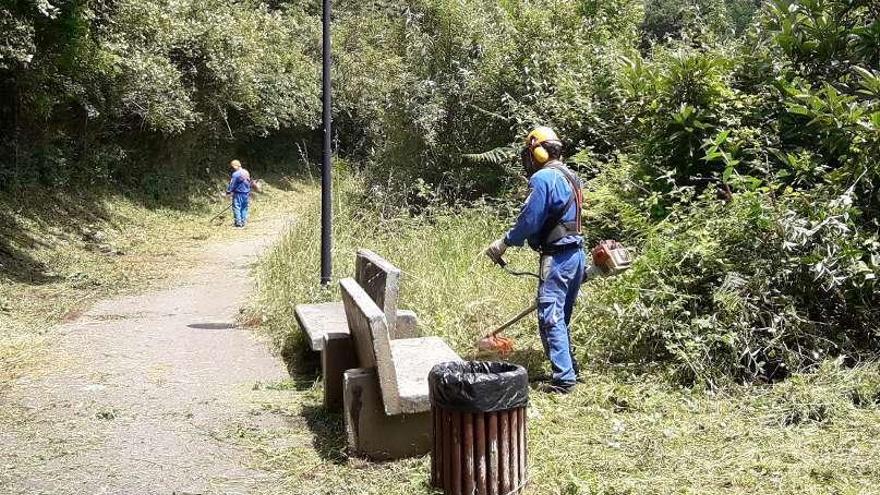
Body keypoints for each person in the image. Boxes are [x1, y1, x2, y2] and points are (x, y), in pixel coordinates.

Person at [484, 127, 585, 394]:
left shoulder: (543, 178)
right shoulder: (571, 176)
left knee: (550, 316)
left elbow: (530, 219)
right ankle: (570, 368)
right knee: (562, 316)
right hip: (576, 255)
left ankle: (564, 380)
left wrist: (504, 242)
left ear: (537, 152)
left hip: (558, 257)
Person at [226, 159, 251, 228]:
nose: (232, 168)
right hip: (246, 193)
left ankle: (238, 223)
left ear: (235, 166)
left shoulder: (236, 174)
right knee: (244, 207)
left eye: (232, 167)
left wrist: (228, 192)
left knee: (237, 207)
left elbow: (232, 184)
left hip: (238, 193)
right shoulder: (246, 172)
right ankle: (243, 222)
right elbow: (249, 182)